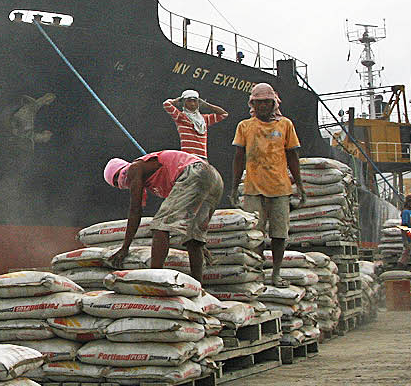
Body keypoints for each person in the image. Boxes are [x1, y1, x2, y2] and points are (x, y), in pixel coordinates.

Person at [103, 150, 225, 283]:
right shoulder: (154, 182)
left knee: (160, 227)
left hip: (195, 172)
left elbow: (135, 209)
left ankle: (153, 279)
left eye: (117, 176)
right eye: (115, 183)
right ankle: (197, 286)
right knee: (193, 239)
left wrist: (125, 248)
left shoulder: (134, 168)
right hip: (213, 178)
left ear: (122, 168)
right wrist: (201, 246)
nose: (120, 182)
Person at [230, 82, 305, 283]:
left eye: (266, 102)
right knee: (255, 234)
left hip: (280, 188)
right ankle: (257, 271)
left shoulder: (285, 125)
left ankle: (276, 272)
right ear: (253, 104)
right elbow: (239, 158)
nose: (262, 106)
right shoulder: (244, 126)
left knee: (279, 234)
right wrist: (234, 187)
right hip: (253, 189)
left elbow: (293, 157)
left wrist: (300, 186)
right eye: (258, 102)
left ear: (273, 103)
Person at [163, 88, 227, 159]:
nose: (192, 104)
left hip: (202, 158)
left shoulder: (204, 119)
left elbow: (223, 114)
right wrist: (176, 101)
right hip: (187, 157)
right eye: (189, 101)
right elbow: (166, 104)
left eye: (195, 101)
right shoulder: (181, 117)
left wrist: (206, 105)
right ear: (183, 102)